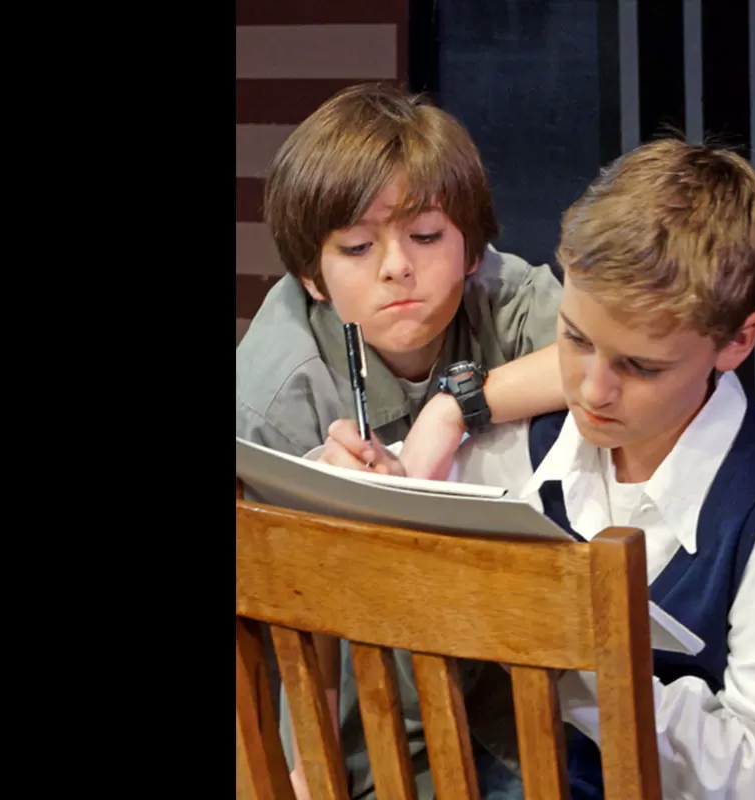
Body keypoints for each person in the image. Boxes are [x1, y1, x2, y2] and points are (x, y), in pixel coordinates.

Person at [321, 137, 755, 798]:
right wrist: (360, 481)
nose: (592, 391)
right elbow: (401, 508)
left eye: (640, 366)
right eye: (575, 338)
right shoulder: (535, 442)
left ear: (737, 341)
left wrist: (584, 665)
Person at [235, 82, 571, 798]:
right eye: (358, 247)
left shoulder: (495, 291)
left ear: (471, 247)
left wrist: (453, 407)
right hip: (359, 722)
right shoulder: (274, 393)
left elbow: (606, 357)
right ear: (311, 275)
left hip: (509, 689)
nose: (397, 267)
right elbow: (283, 617)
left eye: (425, 236)